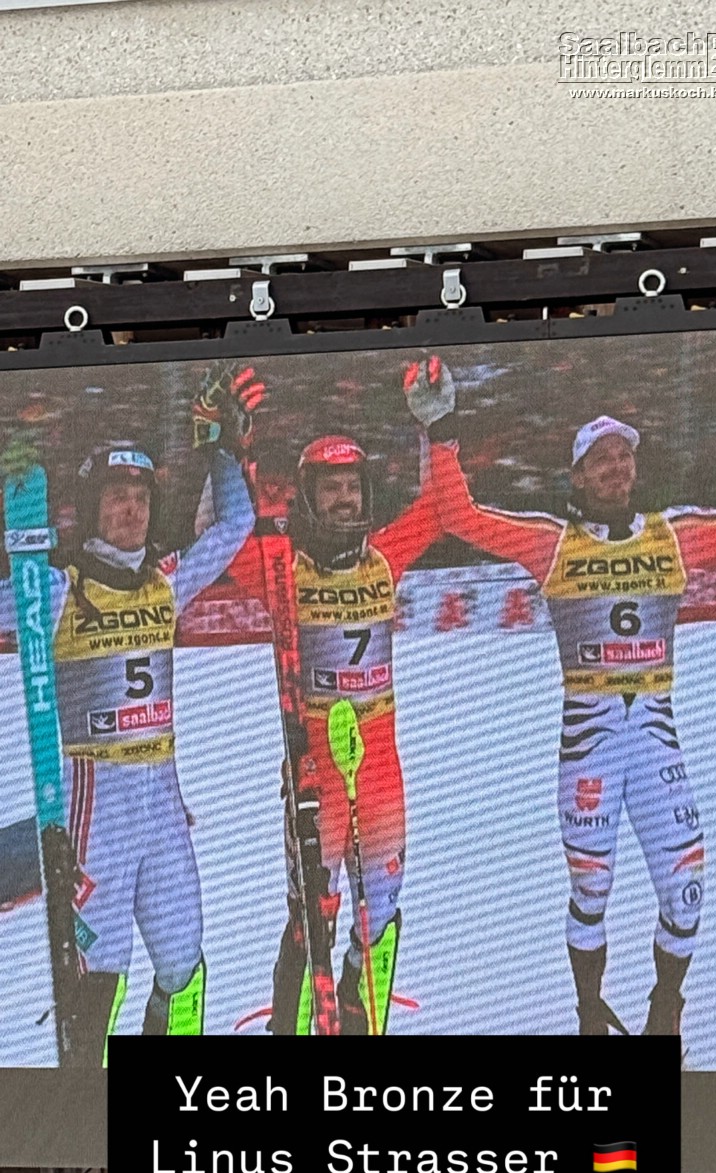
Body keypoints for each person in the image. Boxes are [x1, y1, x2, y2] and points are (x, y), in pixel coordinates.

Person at [411, 358, 716, 1037]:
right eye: (601, 459)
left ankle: (665, 1006)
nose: (617, 467)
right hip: (588, 747)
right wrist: (441, 430)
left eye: (624, 456)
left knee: (687, 888)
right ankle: (590, 1011)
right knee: (591, 888)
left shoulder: (673, 534)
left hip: (655, 742)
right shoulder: (553, 544)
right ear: (578, 476)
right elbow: (459, 516)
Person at [0, 368, 259, 1059]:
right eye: (117, 496)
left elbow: (236, 524)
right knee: (98, 986)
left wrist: (221, 447)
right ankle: (90, 1108)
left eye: (141, 497)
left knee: (183, 969)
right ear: (91, 507)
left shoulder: (166, 582)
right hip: (96, 815)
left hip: (164, 811)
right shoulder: (57, 589)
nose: (131, 509)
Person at [239, 411, 445, 1035]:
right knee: (312, 914)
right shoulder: (283, 567)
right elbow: (216, 535)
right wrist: (232, 453)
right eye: (331, 487)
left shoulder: (384, 559)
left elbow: (439, 508)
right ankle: (290, 1028)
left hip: (381, 772)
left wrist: (437, 427)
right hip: (316, 773)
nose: (345, 498)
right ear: (308, 495)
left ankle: (362, 1021)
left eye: (352, 486)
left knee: (380, 911)